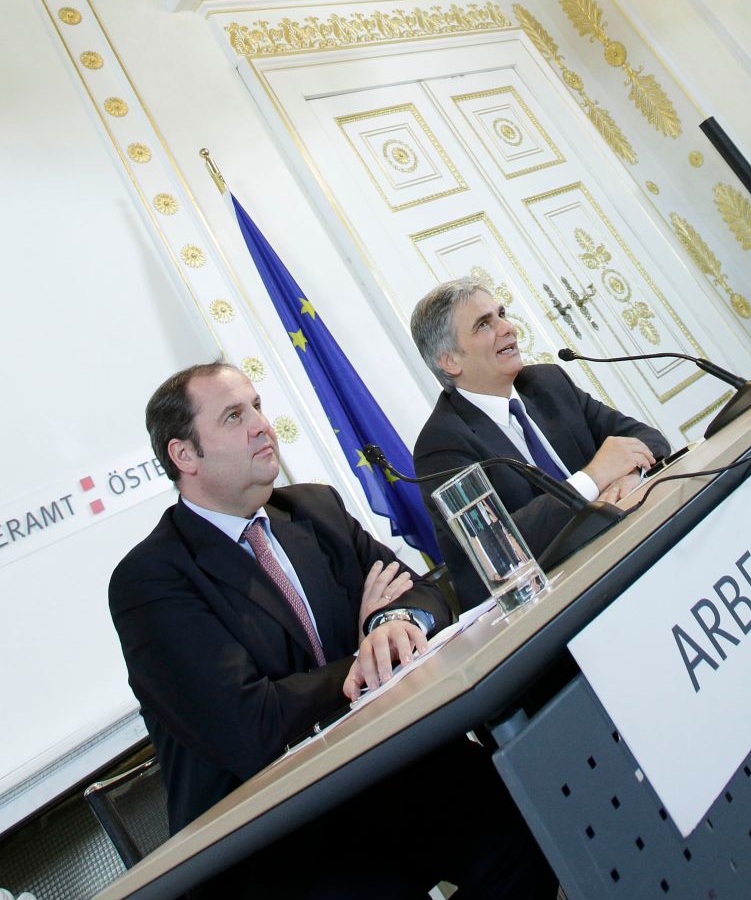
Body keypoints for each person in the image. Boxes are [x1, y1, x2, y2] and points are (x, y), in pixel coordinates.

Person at [109, 361, 556, 900]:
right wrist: (371, 657)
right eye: (233, 416)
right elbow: (252, 726)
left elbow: (425, 591)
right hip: (279, 839)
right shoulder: (151, 579)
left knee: (530, 804)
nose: (261, 425)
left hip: (385, 772)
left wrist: (394, 620)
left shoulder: (313, 507)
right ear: (185, 456)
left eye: (256, 406)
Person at [411, 280, 670, 606]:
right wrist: (593, 478)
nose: (508, 328)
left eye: (501, 314)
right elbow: (499, 548)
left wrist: (627, 477)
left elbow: (647, 438)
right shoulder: (441, 444)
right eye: (484, 325)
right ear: (450, 361)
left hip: (624, 554)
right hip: (550, 608)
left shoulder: (547, 382)